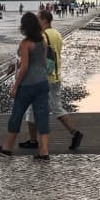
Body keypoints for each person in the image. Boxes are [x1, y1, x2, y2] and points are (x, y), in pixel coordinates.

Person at [19, 9, 83, 152]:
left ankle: (34, 141)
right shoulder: (57, 34)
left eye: (38, 19)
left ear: (44, 20)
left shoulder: (42, 36)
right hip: (56, 76)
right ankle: (74, 133)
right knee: (57, 107)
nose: (36, 21)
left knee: (31, 109)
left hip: (44, 78)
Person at [0, 11, 50, 161]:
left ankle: (7, 147)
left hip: (27, 85)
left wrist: (15, 86)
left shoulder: (25, 44)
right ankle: (44, 151)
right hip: (42, 83)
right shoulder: (42, 41)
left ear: (25, 27)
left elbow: (24, 67)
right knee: (42, 116)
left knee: (16, 115)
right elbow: (43, 63)